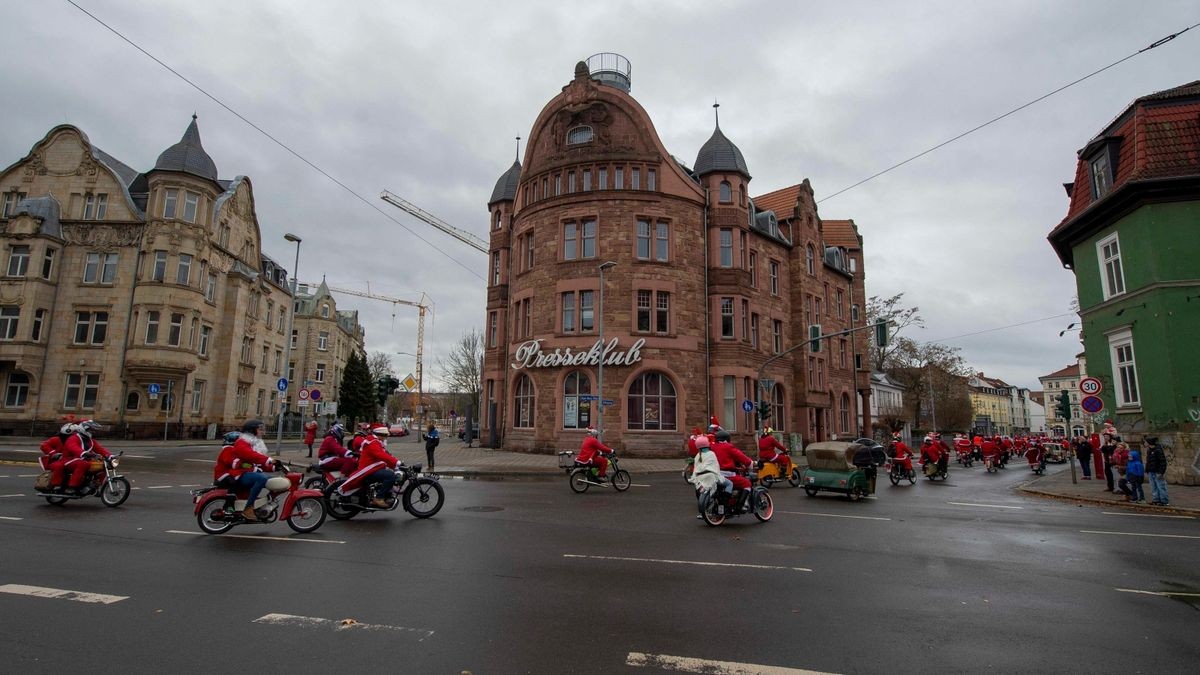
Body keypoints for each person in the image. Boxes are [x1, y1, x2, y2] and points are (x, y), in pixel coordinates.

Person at [215, 420, 279, 521]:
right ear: (252, 430)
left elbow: (257, 462)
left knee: (273, 481)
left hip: (245, 472)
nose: (263, 432)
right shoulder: (241, 442)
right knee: (261, 478)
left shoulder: (253, 443)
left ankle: (264, 504)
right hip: (238, 474)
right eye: (260, 429)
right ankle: (248, 508)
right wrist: (268, 460)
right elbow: (250, 456)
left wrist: (275, 466)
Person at [50, 420, 111, 494]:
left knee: (103, 465)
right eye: (91, 430)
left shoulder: (90, 441)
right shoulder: (73, 438)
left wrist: (110, 456)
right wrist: (84, 453)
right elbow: (74, 448)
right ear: (84, 429)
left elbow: (100, 449)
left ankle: (94, 485)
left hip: (81, 460)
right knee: (83, 464)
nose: (93, 432)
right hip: (68, 460)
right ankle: (72, 487)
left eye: (93, 430)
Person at [348, 425, 401, 508]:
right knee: (390, 476)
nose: (385, 438)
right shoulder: (373, 442)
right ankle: (379, 498)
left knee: (389, 473)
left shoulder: (375, 442)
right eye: (385, 436)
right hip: (368, 469)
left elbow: (385, 456)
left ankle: (386, 494)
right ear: (380, 435)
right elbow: (381, 455)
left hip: (372, 467)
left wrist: (395, 465)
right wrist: (397, 462)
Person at [710, 430, 753, 509]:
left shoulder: (712, 447)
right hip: (726, 475)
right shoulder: (728, 447)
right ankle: (740, 505)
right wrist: (751, 463)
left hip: (713, 474)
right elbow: (742, 457)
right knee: (747, 483)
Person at [1144, 437, 1170, 507]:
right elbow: (1148, 461)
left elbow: (1163, 462)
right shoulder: (1149, 450)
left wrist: (1161, 472)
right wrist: (1147, 469)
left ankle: (1164, 501)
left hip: (1157, 472)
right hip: (1151, 471)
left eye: (1146, 442)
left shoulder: (1158, 450)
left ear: (1149, 443)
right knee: (1153, 486)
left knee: (1161, 486)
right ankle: (1156, 500)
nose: (1144, 443)